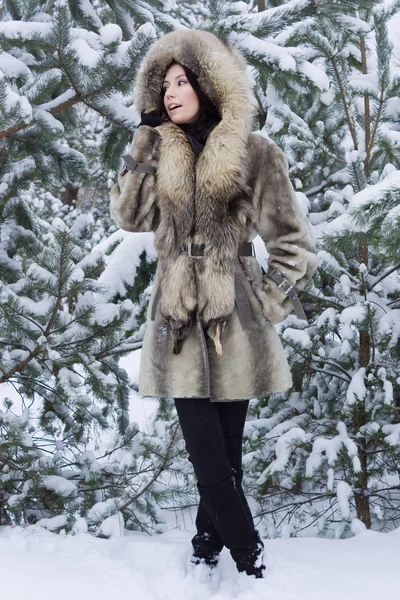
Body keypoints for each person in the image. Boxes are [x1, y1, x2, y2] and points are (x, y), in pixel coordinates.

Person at [110, 30, 318, 579]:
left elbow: (293, 242)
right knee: (206, 453)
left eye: (184, 81)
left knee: (227, 451)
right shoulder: (159, 148)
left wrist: (267, 301)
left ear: (208, 84)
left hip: (236, 320)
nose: (173, 92)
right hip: (177, 319)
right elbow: (130, 218)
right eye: (166, 83)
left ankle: (206, 548)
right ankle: (251, 557)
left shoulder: (256, 153)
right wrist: (140, 150)